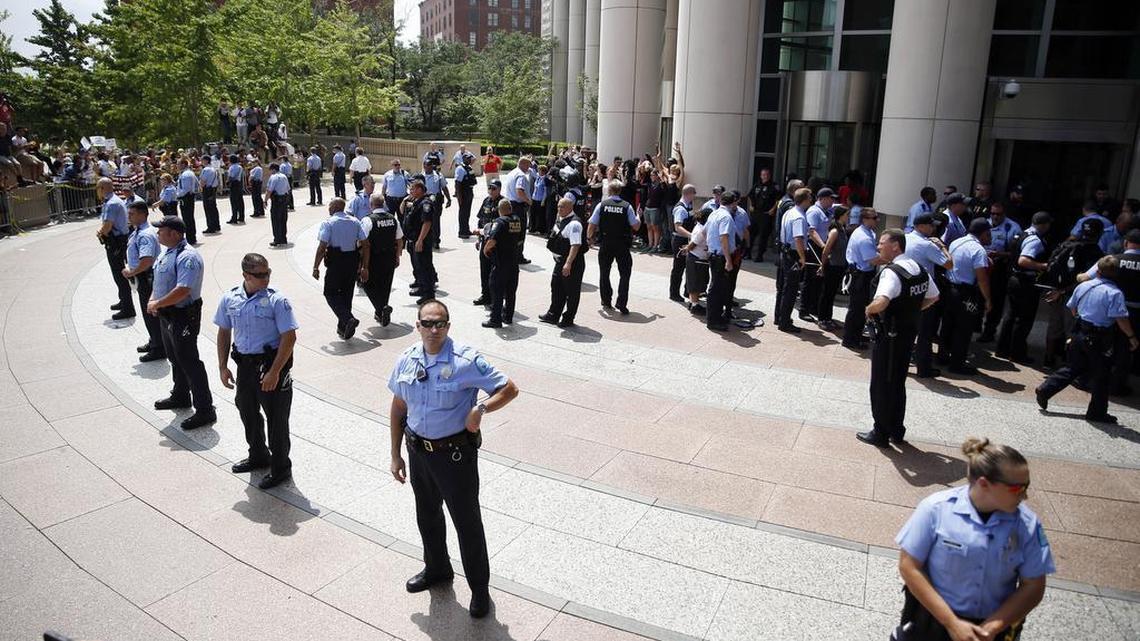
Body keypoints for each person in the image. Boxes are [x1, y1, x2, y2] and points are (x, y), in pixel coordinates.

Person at [387, 299, 519, 619]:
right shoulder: (406, 360)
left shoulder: (466, 361)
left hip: (455, 456)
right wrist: (395, 453)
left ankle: (479, 589)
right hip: (418, 452)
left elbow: (509, 389)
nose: (434, 329)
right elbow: (399, 407)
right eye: (427, 323)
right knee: (427, 515)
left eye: (440, 323)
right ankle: (437, 569)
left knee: (467, 523)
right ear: (417, 326)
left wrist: (481, 409)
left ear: (448, 325)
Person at [894, 438, 1054, 641]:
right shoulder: (936, 509)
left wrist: (992, 627)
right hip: (934, 623)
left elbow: (1033, 585)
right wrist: (952, 623)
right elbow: (909, 566)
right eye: (1017, 489)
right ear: (984, 484)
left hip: (993, 630)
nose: (1025, 496)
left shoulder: (1027, 524)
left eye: (1027, 486)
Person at [214, 253, 298, 490]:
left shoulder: (277, 301)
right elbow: (223, 331)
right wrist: (222, 366)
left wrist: (274, 372)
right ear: (246, 275)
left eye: (268, 273)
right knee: (247, 410)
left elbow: (289, 337)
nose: (266, 278)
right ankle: (258, 454)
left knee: (277, 419)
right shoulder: (230, 299)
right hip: (245, 367)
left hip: (270, 366)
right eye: (260, 275)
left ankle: (281, 467)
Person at [856, 229, 939, 446]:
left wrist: (868, 310)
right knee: (898, 381)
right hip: (907, 333)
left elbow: (881, 302)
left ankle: (881, 432)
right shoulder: (919, 269)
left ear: (896, 246)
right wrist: (911, 310)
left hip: (889, 336)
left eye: (882, 243)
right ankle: (896, 429)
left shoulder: (892, 272)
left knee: (881, 383)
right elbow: (934, 296)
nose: (878, 247)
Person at [1036, 255, 1138, 423]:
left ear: (1097, 270)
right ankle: (1097, 413)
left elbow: (1072, 307)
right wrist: (1131, 337)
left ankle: (1046, 389)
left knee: (1074, 367)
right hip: (1099, 337)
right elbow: (1120, 318)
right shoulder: (1114, 293)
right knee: (1101, 375)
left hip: (1079, 332)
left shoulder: (1084, 286)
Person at [148, 216, 215, 430]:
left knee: (189, 361)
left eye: (161, 230)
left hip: (183, 315)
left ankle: (205, 409)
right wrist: (153, 300)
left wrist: (158, 302)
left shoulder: (188, 257)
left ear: (175, 234)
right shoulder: (167, 252)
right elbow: (160, 281)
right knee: (174, 357)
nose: (158, 233)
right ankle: (180, 395)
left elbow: (183, 290)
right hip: (168, 313)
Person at [996, 212, 1053, 364]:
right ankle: (1017, 353)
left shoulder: (1022, 234)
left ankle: (1002, 349)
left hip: (1015, 279)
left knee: (1011, 315)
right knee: (1024, 319)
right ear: (1045, 224)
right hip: (1025, 282)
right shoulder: (1034, 240)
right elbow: (1023, 260)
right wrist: (1043, 266)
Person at [941, 219, 993, 375]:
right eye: (989, 234)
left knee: (947, 325)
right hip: (966, 293)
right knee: (963, 329)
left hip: (950, 288)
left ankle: (943, 356)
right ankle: (957, 364)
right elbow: (982, 278)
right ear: (984, 233)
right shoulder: (978, 250)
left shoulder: (956, 242)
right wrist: (988, 299)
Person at [906, 213, 955, 377]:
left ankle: (902, 362)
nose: (934, 228)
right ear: (921, 226)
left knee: (908, 330)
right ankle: (923, 368)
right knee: (925, 332)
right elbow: (949, 264)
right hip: (924, 292)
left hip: (906, 289)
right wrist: (942, 246)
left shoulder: (905, 238)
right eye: (930, 225)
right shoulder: (927, 245)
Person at [312, 198, 369, 339]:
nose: (328, 208)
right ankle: (344, 328)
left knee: (330, 292)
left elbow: (322, 247)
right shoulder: (355, 221)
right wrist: (364, 266)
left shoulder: (329, 223)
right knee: (346, 294)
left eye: (330, 205)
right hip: (352, 261)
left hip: (336, 261)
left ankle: (347, 319)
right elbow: (365, 244)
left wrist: (315, 267)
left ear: (334, 207)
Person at [587, 181, 639, 315]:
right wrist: (639, 216)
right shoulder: (627, 206)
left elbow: (592, 224)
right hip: (622, 243)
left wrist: (589, 238)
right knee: (625, 274)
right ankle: (622, 303)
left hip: (606, 242)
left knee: (604, 272)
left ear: (609, 191)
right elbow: (636, 226)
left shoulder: (601, 205)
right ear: (620, 191)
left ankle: (606, 300)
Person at [123, 202, 164, 362]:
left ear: (142, 214)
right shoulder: (138, 231)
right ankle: (154, 340)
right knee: (148, 312)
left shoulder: (145, 234)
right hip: (143, 275)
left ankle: (158, 347)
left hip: (146, 277)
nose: (129, 216)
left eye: (132, 213)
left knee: (150, 313)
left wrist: (131, 272)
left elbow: (146, 260)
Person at [539, 197, 587, 328]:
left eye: (562, 207)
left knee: (571, 292)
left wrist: (568, 263)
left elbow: (575, 245)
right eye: (558, 206)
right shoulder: (561, 219)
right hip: (560, 261)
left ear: (570, 208)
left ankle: (568, 318)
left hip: (572, 263)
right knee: (556, 287)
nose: (559, 209)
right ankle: (553, 314)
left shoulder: (574, 224)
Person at [980, 202, 1022, 342]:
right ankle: (976, 326)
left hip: (1000, 269)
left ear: (1004, 214)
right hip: (982, 266)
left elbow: (1017, 254)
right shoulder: (984, 224)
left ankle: (989, 331)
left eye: (998, 214)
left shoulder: (1013, 228)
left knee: (996, 302)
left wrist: (1000, 255)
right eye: (992, 213)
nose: (995, 216)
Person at [843, 207, 884, 349]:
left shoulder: (868, 233)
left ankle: (856, 335)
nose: (877, 220)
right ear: (865, 219)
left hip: (862, 274)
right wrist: (890, 258)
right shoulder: (864, 237)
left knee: (860, 308)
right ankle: (850, 339)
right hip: (860, 275)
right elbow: (873, 260)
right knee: (857, 309)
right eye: (874, 218)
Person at [360, 192, 403, 326]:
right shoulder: (393, 219)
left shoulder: (368, 220)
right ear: (383, 204)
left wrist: (362, 263)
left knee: (366, 283)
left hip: (373, 258)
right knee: (385, 285)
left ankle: (381, 308)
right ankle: (382, 313)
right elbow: (399, 239)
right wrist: (397, 256)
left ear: (371, 205)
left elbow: (362, 241)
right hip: (389, 256)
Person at [96, 178, 135, 320]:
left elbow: (107, 226)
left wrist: (100, 233)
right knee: (119, 273)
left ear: (102, 188)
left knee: (119, 274)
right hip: (120, 240)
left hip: (116, 242)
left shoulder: (111, 204)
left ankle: (128, 308)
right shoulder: (115, 200)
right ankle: (123, 300)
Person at [775, 188, 813, 333]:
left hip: (786, 253)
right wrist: (802, 257)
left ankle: (780, 317)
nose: (811, 201)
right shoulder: (798, 217)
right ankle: (784, 322)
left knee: (785, 287)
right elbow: (798, 239)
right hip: (793, 255)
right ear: (804, 200)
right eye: (809, 198)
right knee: (790, 289)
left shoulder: (789, 212)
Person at [481, 200, 522, 328]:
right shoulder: (516, 220)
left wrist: (485, 250)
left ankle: (495, 319)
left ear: (500, 210)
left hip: (501, 262)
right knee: (510, 291)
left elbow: (492, 240)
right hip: (513, 262)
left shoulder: (500, 222)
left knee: (496, 290)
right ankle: (508, 317)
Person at [704, 192, 740, 332]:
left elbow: (705, 232)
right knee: (717, 290)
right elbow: (724, 238)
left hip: (714, 255)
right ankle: (714, 320)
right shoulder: (726, 216)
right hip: (720, 256)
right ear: (733, 203)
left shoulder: (714, 214)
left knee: (717, 288)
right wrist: (728, 260)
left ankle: (715, 317)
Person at [801, 187, 833, 321]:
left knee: (819, 279)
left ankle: (814, 306)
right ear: (822, 199)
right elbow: (812, 231)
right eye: (830, 198)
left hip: (822, 247)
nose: (832, 201)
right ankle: (804, 309)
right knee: (810, 279)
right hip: (815, 247)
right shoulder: (814, 212)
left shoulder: (826, 211)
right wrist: (823, 245)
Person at [816, 206, 850, 331]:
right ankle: (822, 319)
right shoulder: (835, 231)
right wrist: (822, 265)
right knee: (826, 293)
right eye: (847, 214)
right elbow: (826, 250)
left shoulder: (843, 229)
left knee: (831, 294)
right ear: (840, 215)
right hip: (832, 266)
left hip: (839, 266)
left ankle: (828, 318)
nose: (848, 217)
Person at [405, 180, 437, 303]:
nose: (410, 191)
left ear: (419, 190)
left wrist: (420, 240)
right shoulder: (416, 202)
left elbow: (427, 222)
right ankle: (422, 289)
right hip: (414, 239)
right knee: (418, 267)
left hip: (422, 241)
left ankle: (428, 294)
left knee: (424, 267)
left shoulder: (425, 203)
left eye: (413, 189)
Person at [473, 180, 504, 306]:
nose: (491, 190)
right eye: (489, 188)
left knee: (494, 273)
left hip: (496, 243)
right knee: (484, 270)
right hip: (485, 240)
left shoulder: (503, 203)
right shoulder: (486, 201)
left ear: (499, 189)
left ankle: (495, 299)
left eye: (494, 188)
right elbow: (481, 221)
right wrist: (478, 239)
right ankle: (485, 295)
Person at [669, 184, 697, 302]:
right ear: (688, 194)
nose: (694, 196)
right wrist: (691, 235)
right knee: (678, 268)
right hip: (680, 240)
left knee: (688, 267)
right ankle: (674, 293)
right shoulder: (680, 208)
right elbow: (678, 227)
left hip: (685, 240)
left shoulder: (688, 206)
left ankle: (687, 291)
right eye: (693, 194)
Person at [504, 157, 533, 264]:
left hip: (510, 205)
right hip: (518, 207)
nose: (529, 168)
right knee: (519, 233)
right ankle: (518, 256)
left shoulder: (512, 173)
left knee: (512, 231)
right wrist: (528, 201)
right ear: (524, 164)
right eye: (528, 166)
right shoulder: (521, 175)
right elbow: (519, 191)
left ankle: (511, 254)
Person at [746, 167, 779, 262]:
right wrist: (751, 205)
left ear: (770, 176)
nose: (765, 176)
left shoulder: (774, 186)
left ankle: (759, 255)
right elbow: (750, 196)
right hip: (756, 214)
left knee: (763, 236)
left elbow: (778, 199)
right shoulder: (757, 185)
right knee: (750, 234)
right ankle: (748, 253)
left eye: (767, 175)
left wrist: (773, 209)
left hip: (766, 214)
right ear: (761, 176)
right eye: (763, 175)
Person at [423, 160, 451, 249]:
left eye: (430, 165)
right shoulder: (421, 176)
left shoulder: (438, 175)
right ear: (424, 166)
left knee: (435, 222)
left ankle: (436, 241)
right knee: (424, 221)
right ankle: (426, 240)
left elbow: (444, 187)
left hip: (436, 202)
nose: (428, 167)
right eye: (427, 165)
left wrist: (449, 199)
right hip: (424, 201)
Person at [263, 163, 291, 247]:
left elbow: (269, 190)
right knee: (283, 220)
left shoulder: (273, 177)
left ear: (273, 169)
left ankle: (277, 239)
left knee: (276, 220)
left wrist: (265, 201)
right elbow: (288, 189)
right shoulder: (284, 176)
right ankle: (283, 238)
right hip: (284, 200)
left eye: (270, 170)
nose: (270, 172)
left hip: (276, 201)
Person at [175, 159, 199, 245]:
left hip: (186, 197)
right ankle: (191, 237)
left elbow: (185, 189)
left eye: (178, 164)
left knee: (187, 218)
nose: (176, 166)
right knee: (189, 218)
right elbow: (196, 184)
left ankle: (190, 238)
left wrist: (176, 195)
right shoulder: (189, 173)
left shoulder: (186, 175)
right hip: (189, 197)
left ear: (183, 164)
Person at [454, 153, 477, 238]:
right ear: (463, 159)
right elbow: (457, 183)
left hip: (469, 191)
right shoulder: (460, 168)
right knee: (463, 213)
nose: (469, 160)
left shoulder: (469, 167)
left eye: (470, 158)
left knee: (467, 212)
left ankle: (466, 230)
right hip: (463, 193)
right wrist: (459, 197)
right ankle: (462, 232)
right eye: (467, 158)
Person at [199, 158, 221, 233]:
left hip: (207, 190)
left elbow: (203, 181)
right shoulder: (213, 169)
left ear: (206, 161)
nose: (201, 162)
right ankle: (217, 225)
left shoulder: (206, 170)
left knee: (208, 209)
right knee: (213, 208)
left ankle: (211, 227)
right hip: (213, 189)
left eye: (202, 160)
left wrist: (200, 188)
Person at [226, 155, 245, 224]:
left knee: (234, 202)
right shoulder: (240, 167)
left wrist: (227, 182)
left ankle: (234, 218)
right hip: (239, 184)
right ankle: (241, 217)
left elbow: (231, 176)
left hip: (233, 184)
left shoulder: (232, 167)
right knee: (240, 201)